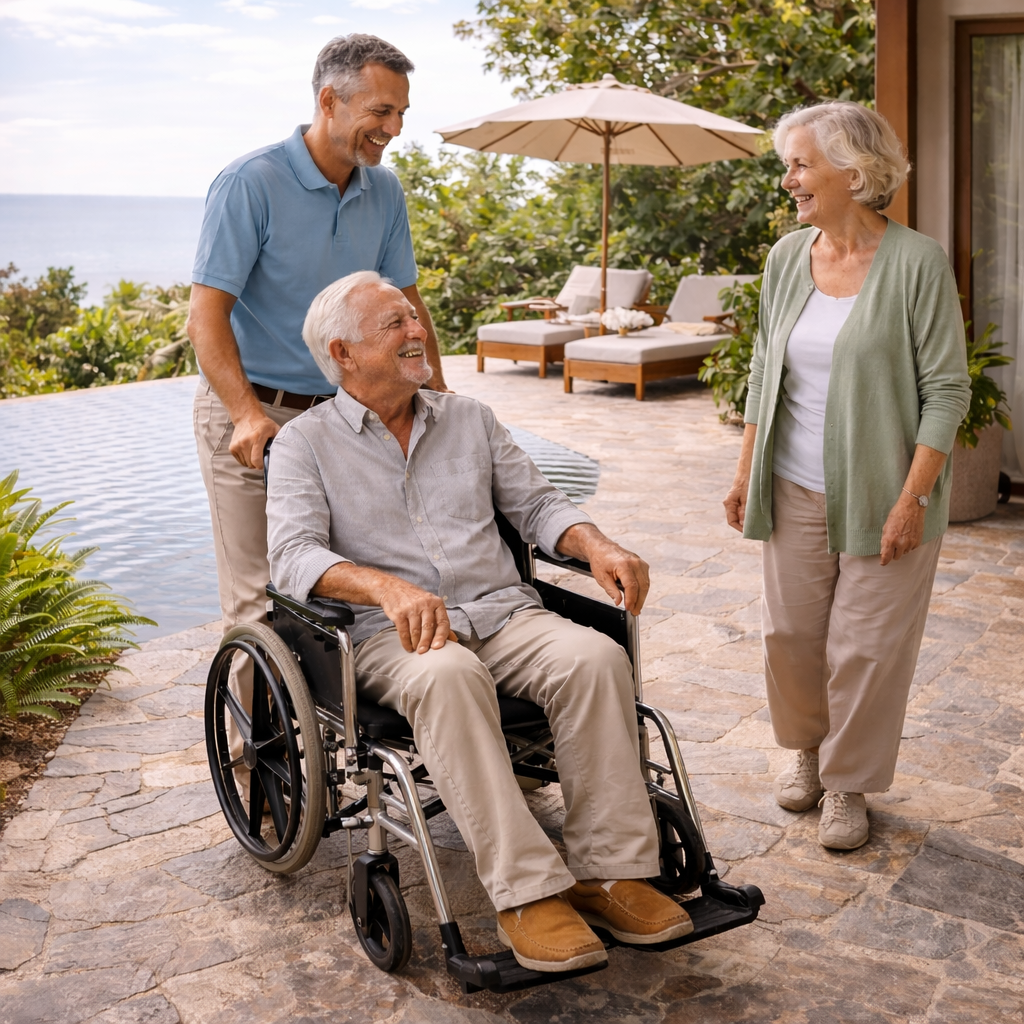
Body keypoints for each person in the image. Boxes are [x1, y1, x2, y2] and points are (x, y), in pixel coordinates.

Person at [266, 271, 693, 973]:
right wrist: (385, 589)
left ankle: (609, 873)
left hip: (502, 612)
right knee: (451, 676)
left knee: (594, 659)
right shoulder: (304, 444)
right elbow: (292, 557)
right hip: (391, 637)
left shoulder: (470, 419)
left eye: (413, 318)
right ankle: (527, 894)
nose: (417, 332)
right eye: (395, 325)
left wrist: (596, 543)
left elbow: (538, 506)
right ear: (342, 354)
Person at [724, 102, 971, 851]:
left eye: (800, 164)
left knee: (865, 647)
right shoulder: (785, 258)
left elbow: (948, 389)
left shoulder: (916, 262)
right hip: (791, 482)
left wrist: (912, 498)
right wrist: (745, 473)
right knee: (791, 633)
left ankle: (849, 782)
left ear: (853, 174)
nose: (789, 179)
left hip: (884, 493)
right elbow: (767, 369)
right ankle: (805, 750)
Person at [188, 33, 447, 665]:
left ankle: (340, 749)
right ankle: (259, 765)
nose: (393, 128)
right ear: (329, 100)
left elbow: (407, 305)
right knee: (260, 600)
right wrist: (247, 413)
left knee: (347, 587)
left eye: (401, 114)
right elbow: (206, 317)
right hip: (255, 415)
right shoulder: (251, 183)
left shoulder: (383, 191)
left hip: (345, 417)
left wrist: (436, 395)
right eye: (381, 112)